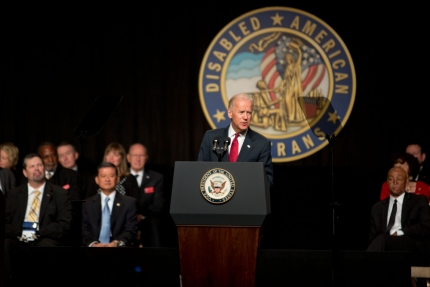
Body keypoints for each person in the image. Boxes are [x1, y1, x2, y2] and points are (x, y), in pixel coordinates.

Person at [4, 153, 72, 282]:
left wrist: (37, 232)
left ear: (44, 168)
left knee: (47, 246)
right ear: (25, 172)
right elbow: (5, 222)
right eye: (32, 166)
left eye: (39, 165)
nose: (37, 169)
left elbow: (64, 224)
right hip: (19, 239)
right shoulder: (13, 194)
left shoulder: (59, 193)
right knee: (5, 244)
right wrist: (21, 233)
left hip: (45, 239)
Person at [198, 93, 274, 187]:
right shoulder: (211, 137)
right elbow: (200, 172)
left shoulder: (261, 144)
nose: (245, 117)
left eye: (249, 112)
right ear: (230, 113)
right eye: (241, 112)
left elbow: (267, 181)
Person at [367, 166, 430, 266]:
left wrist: (401, 232)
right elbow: (372, 238)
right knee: (381, 240)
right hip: (386, 249)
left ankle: (364, 267)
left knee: (383, 239)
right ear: (387, 182)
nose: (395, 182)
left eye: (399, 179)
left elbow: (426, 227)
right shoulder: (377, 208)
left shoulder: (418, 201)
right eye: (391, 179)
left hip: (410, 247)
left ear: (406, 182)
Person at [82, 162, 138, 247]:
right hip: (92, 251)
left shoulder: (129, 203)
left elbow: (131, 230)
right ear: (97, 180)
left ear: (117, 179)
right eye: (103, 176)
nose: (107, 179)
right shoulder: (87, 204)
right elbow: (83, 229)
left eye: (111, 176)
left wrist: (117, 243)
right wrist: (93, 244)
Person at [127, 143, 164, 247]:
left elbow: (158, 205)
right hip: (125, 223)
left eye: (141, 155)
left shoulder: (156, 178)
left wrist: (141, 216)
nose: (138, 159)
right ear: (128, 157)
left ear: (146, 158)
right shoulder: (120, 177)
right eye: (134, 155)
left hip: (148, 222)